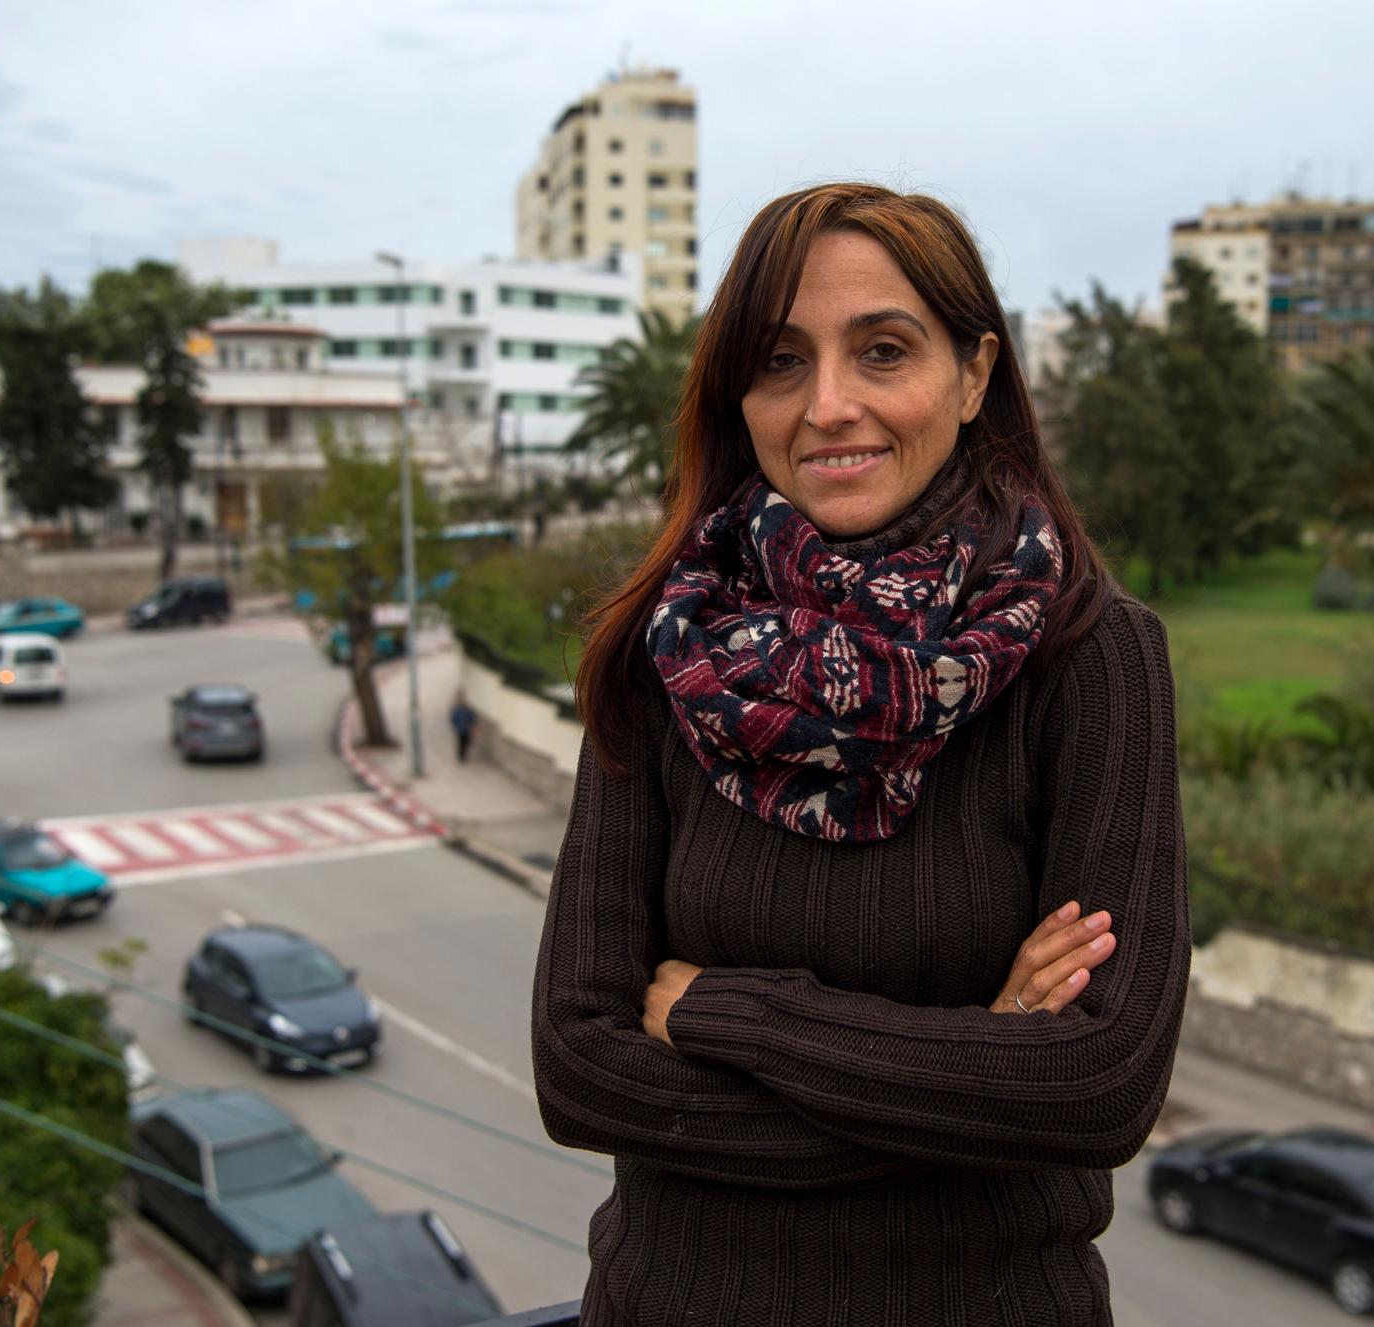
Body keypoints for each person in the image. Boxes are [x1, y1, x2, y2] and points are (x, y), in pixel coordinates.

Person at [531, 183, 1188, 1327]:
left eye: (882, 350)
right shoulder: (669, 659)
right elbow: (579, 1067)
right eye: (781, 363)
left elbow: (1095, 1086)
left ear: (974, 373)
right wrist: (972, 1070)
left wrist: (729, 1016)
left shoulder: (1090, 660)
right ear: (739, 396)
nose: (829, 405)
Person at [448, 696, 477, 764]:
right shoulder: (457, 710)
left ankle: (463, 754)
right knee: (461, 742)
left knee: (467, 741)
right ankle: (461, 756)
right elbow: (453, 719)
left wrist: (472, 725)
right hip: (460, 729)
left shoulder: (467, 710)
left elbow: (472, 718)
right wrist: (456, 726)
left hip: (467, 729)